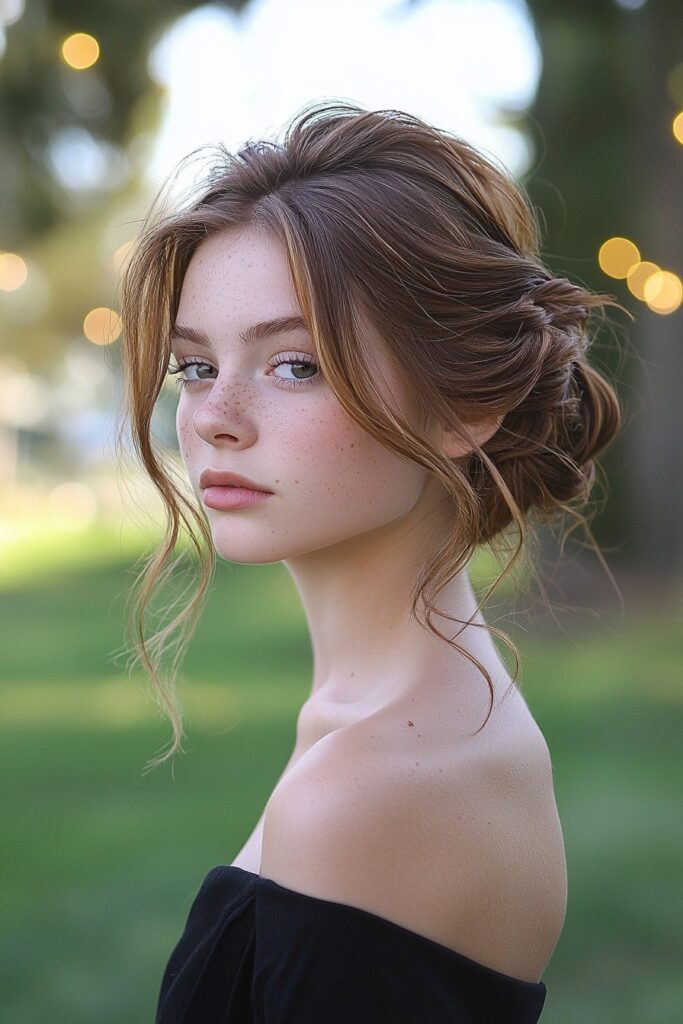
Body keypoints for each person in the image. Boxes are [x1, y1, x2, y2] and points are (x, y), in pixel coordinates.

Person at [117, 101, 624, 1023]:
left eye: (295, 365)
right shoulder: (408, 723)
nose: (215, 416)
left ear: (466, 405)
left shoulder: (370, 792)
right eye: (194, 366)